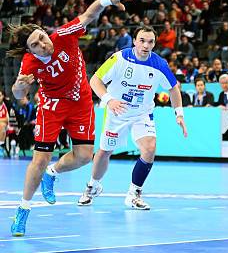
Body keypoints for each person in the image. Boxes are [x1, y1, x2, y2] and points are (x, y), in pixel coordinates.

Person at [8, 0, 134, 236]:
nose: (43, 45)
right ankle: (23, 210)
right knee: (40, 158)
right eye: (35, 45)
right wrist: (20, 86)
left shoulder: (63, 35)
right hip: (52, 105)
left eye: (42, 37)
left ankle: (52, 173)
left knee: (85, 155)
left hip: (81, 102)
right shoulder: (29, 63)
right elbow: (18, 95)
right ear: (29, 50)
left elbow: (88, 15)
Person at [78, 26, 188, 209]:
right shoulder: (119, 58)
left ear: (154, 43)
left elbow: (173, 88)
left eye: (150, 42)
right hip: (117, 112)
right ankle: (92, 185)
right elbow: (95, 80)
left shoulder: (159, 64)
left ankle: (134, 193)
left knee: (150, 148)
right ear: (135, 41)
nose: (146, 45)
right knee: (104, 152)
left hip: (142, 114)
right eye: (142, 40)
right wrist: (108, 99)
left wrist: (179, 114)